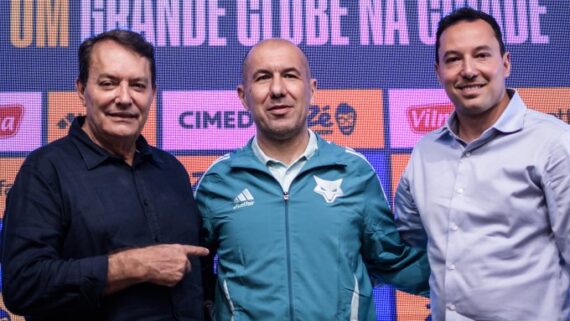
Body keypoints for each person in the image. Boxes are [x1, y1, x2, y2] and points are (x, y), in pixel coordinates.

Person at [194, 38, 429, 321]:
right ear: (243, 95)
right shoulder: (218, 181)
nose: (278, 90)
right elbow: (193, 277)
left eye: (290, 76)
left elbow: (392, 260)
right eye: (263, 77)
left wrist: (472, 283)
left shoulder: (353, 172)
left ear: (312, 90)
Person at [1, 29, 209, 321]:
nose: (124, 98)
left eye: (138, 85)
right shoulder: (45, 171)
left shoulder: (171, 170)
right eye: (109, 83)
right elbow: (23, 285)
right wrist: (133, 265)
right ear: (82, 89)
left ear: (153, 93)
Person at [395, 7, 570, 321]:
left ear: (505, 63)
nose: (468, 70)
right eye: (453, 59)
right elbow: (413, 246)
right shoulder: (425, 152)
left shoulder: (553, 143)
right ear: (438, 72)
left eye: (481, 55)